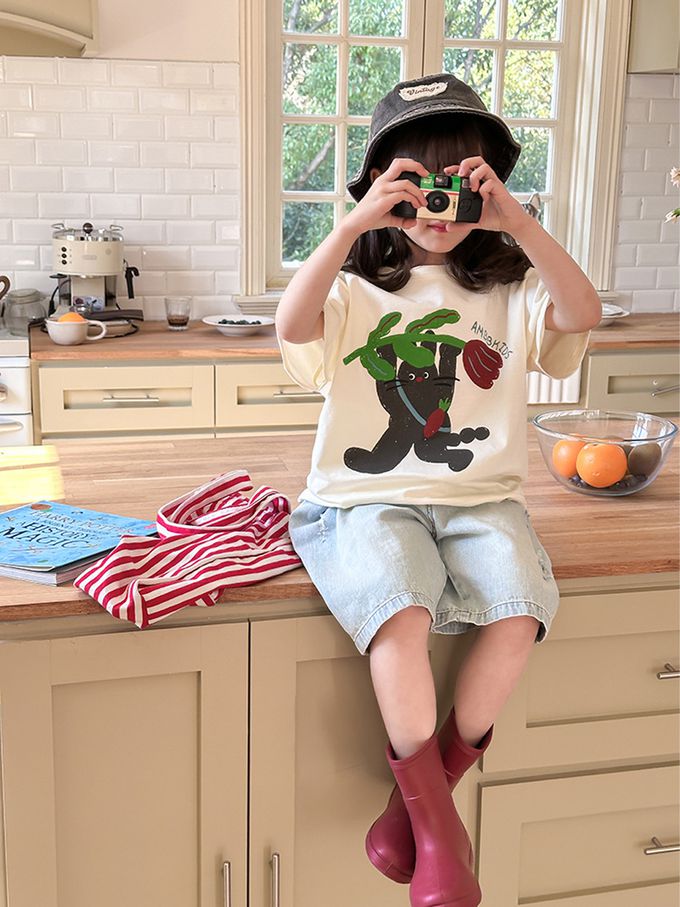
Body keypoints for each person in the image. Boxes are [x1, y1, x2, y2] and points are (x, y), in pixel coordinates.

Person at [275, 73, 601, 907]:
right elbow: (292, 325)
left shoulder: (508, 293)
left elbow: (583, 312)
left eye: (459, 183)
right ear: (383, 191)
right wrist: (352, 223)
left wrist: (519, 223)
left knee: (520, 609)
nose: (438, 205)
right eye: (416, 184)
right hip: (365, 497)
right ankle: (437, 831)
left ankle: (415, 814)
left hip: (482, 500)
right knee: (401, 608)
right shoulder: (355, 290)